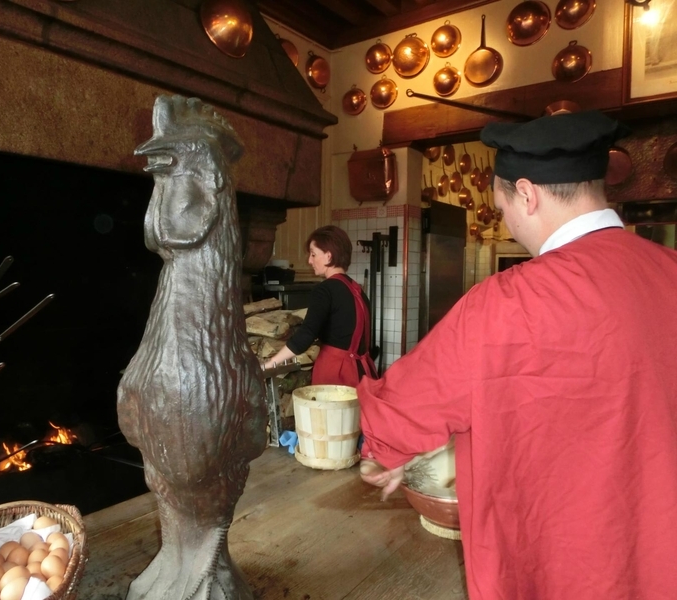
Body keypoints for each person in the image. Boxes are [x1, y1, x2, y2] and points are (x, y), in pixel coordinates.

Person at [357, 111, 677, 600]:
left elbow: (406, 405)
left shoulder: (506, 302)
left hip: (554, 568)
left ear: (527, 195)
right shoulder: (670, 270)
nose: (507, 221)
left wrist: (383, 452)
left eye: (503, 207)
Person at [264, 225, 376, 387]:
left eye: (313, 254)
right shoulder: (357, 290)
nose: (309, 261)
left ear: (328, 256)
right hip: (363, 374)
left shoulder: (324, 290)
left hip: (337, 375)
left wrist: (270, 364)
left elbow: (306, 335)